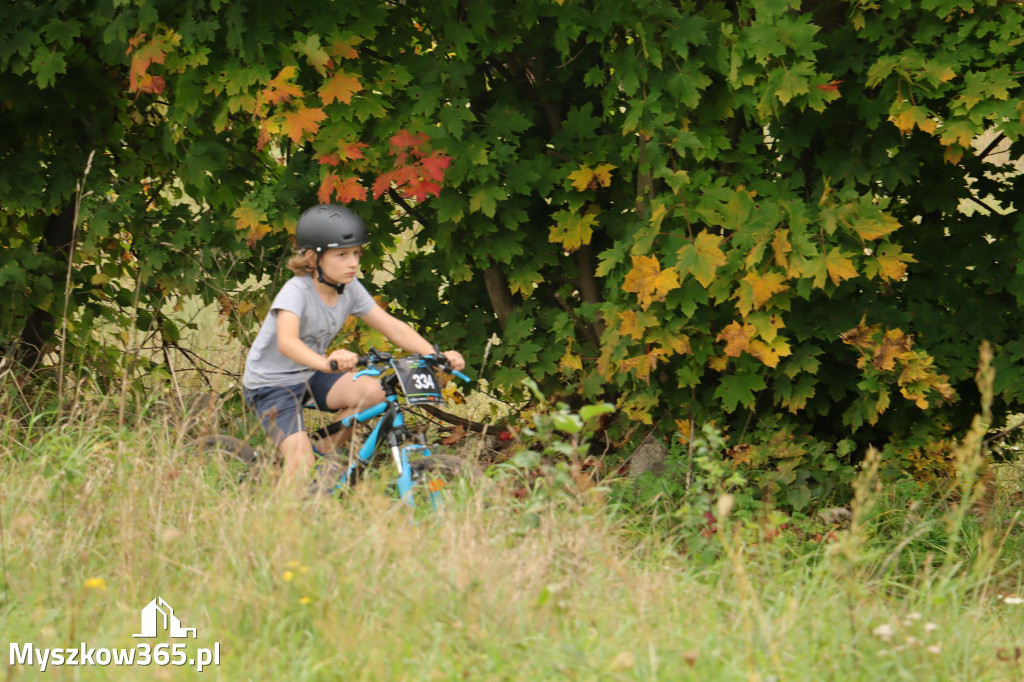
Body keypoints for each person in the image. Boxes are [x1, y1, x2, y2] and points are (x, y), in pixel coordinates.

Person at [241, 203, 465, 485]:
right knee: (300, 465)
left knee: (375, 393)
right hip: (271, 385)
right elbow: (287, 343)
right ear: (313, 257)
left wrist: (436, 355)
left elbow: (392, 327)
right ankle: (283, 518)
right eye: (342, 254)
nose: (353, 263)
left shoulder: (349, 289)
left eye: (356, 253)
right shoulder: (296, 291)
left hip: (310, 375)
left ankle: (323, 451)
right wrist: (326, 362)